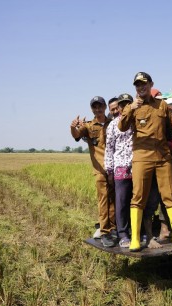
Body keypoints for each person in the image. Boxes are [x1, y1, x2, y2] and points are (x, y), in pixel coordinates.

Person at [118, 72, 172, 252]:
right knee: (138, 197)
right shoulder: (131, 107)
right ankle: (134, 239)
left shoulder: (162, 105)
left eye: (144, 84)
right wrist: (131, 108)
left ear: (151, 84)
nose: (141, 87)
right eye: (138, 85)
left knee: (170, 196)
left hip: (163, 157)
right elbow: (122, 127)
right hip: (142, 157)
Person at [70, 96, 116, 247]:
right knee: (103, 200)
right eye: (95, 107)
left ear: (105, 107)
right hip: (100, 170)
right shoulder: (88, 126)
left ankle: (114, 228)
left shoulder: (113, 123)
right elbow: (77, 135)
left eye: (100, 106)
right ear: (92, 109)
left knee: (114, 200)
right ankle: (105, 232)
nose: (98, 109)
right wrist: (73, 127)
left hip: (116, 169)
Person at [105, 93, 135, 248]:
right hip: (121, 168)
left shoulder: (137, 121)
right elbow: (109, 149)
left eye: (127, 104)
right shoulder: (113, 125)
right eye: (122, 105)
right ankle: (123, 234)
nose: (124, 108)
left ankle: (137, 232)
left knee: (137, 201)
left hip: (138, 166)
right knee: (121, 201)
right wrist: (109, 170)